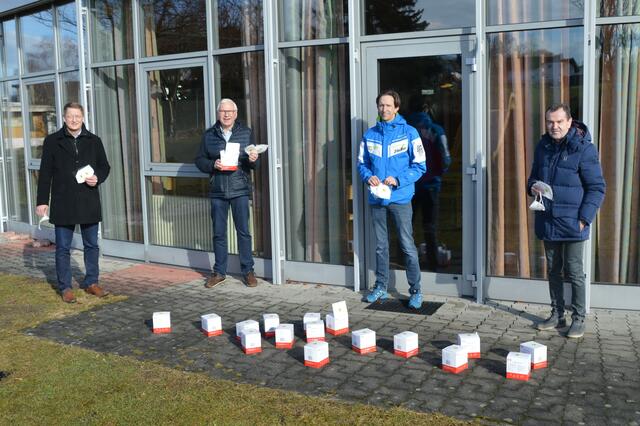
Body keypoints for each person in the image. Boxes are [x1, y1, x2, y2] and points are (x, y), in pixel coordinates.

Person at [528, 103, 605, 338]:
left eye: (560, 121)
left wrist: (584, 219)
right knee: (553, 269)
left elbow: (597, 188)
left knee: (573, 270)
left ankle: (579, 318)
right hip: (548, 220)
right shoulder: (543, 146)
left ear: (570, 122)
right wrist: (532, 187)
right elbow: (532, 177)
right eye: (550, 122)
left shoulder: (584, 149)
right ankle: (557, 314)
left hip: (573, 223)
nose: (555, 126)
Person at [36, 102, 111, 303]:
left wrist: (98, 177)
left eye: (77, 116)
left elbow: (105, 166)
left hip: (88, 200)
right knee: (62, 247)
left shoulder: (94, 141)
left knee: (92, 245)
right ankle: (66, 287)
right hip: (63, 201)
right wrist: (42, 201)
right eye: (70, 116)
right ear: (64, 117)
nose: (74, 120)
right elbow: (45, 174)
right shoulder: (52, 141)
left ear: (83, 118)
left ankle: (92, 282)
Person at [358, 90, 426, 309]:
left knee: (407, 245)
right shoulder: (369, 134)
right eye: (381, 105)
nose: (384, 109)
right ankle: (381, 286)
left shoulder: (410, 133)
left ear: (397, 108)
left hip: (401, 198)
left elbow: (420, 166)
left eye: (388, 106)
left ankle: (415, 291)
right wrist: (369, 177)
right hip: (377, 199)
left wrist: (397, 179)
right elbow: (362, 164)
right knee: (380, 246)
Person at [195, 98, 259, 288]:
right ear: (218, 114)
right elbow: (199, 160)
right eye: (223, 111)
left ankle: (248, 271)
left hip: (239, 189)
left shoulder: (246, 133)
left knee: (244, 233)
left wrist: (254, 159)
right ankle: (219, 272)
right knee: (219, 233)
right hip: (218, 190)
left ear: (236, 113)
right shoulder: (209, 135)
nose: (226, 114)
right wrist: (212, 164)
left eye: (230, 111)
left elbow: (253, 164)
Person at [407, 98, 451, 271]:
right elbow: (445, 158)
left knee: (405, 225)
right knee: (430, 225)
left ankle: (404, 262)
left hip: (409, 184)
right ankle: (432, 263)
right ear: (427, 109)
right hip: (431, 185)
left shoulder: (405, 130)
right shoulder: (436, 130)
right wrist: (439, 173)